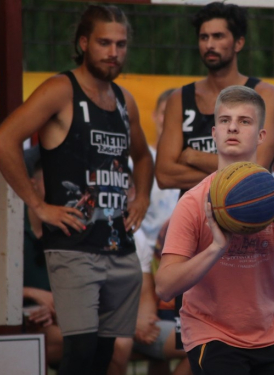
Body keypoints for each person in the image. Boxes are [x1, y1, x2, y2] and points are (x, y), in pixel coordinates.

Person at [0, 5, 154, 375]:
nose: (113, 52)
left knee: (107, 356)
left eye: (120, 44)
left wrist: (144, 197)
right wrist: (38, 205)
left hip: (119, 246)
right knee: (80, 354)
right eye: (103, 42)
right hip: (73, 246)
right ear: (83, 42)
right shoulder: (60, 89)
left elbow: (143, 158)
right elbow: (6, 139)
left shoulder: (124, 100)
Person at [155, 85, 274, 374]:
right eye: (225, 121)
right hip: (211, 334)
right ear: (214, 133)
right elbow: (164, 286)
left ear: (262, 135)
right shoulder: (193, 201)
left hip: (270, 332)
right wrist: (216, 248)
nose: (233, 128)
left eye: (244, 121)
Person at [155, 2, 274, 193]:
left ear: (239, 42)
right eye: (204, 37)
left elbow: (257, 169)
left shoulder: (264, 94)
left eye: (218, 36)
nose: (209, 44)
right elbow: (164, 175)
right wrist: (237, 169)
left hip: (245, 213)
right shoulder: (179, 98)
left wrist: (193, 157)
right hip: (194, 217)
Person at [108, 227, 191, 375]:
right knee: (121, 343)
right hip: (113, 324)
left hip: (138, 321)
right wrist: (130, 324)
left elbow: (146, 294)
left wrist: (145, 323)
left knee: (198, 344)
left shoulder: (134, 234)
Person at [22, 153, 63, 369]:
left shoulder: (67, 228)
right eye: (50, 179)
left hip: (52, 319)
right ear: (32, 185)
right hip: (12, 317)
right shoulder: (9, 225)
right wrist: (31, 293)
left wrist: (54, 308)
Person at [140, 89, 180, 250]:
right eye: (165, 113)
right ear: (154, 115)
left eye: (176, 114)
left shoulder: (195, 161)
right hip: (143, 252)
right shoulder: (138, 161)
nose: (170, 119)